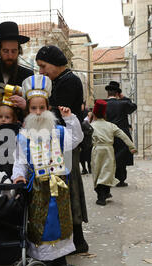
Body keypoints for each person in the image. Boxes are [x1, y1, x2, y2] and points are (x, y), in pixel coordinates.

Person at [12, 74, 84, 266]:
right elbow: (20, 160)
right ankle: (43, 260)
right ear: (27, 110)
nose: (38, 112)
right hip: (38, 187)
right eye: (33, 108)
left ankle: (60, 259)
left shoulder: (59, 132)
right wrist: (18, 175)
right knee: (40, 222)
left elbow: (77, 138)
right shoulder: (24, 136)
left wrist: (70, 119)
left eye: (41, 108)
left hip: (59, 185)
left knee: (62, 220)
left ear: (48, 108)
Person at [35, 45, 89, 254]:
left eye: (43, 66)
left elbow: (57, 114)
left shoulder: (69, 81)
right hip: (59, 144)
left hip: (66, 144)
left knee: (69, 187)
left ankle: (78, 239)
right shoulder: (59, 81)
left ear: (55, 64)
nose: (41, 71)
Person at [90, 100, 137, 206]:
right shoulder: (111, 126)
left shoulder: (92, 126)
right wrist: (132, 147)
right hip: (109, 151)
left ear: (94, 113)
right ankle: (105, 193)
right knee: (107, 172)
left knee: (97, 172)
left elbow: (84, 138)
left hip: (96, 150)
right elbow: (123, 135)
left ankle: (101, 196)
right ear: (105, 114)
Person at [105, 81, 137, 187]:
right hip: (122, 134)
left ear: (108, 93)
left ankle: (111, 179)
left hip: (108, 134)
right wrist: (124, 98)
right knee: (122, 158)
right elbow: (133, 106)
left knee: (110, 157)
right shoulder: (123, 103)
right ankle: (121, 180)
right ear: (118, 93)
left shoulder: (103, 104)